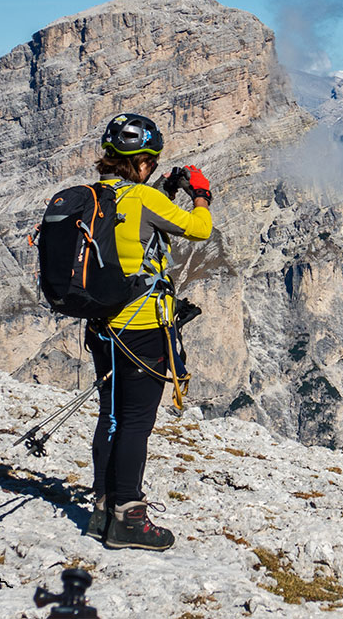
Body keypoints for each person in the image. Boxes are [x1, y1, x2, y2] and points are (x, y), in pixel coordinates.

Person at [83, 113, 212, 550]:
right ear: (139, 162)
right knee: (137, 421)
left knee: (111, 416)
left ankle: (102, 509)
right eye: (151, 162)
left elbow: (134, 224)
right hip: (140, 330)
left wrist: (164, 191)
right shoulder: (142, 195)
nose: (154, 168)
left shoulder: (99, 195)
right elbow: (199, 229)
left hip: (101, 326)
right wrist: (200, 194)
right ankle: (129, 518)